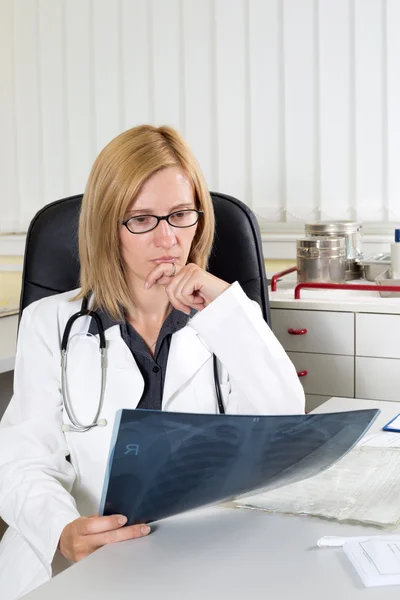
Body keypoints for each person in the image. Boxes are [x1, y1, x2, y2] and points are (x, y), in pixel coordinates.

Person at [0, 125, 305, 599]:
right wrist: (63, 529)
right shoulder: (49, 323)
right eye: (141, 219)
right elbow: (21, 461)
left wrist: (227, 308)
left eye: (180, 214)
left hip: (202, 548)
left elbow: (286, 423)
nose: (168, 239)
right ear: (107, 226)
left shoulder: (224, 316)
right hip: (88, 556)